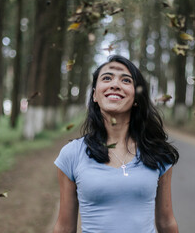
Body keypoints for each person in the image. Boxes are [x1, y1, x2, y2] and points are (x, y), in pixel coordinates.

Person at [53, 55, 179, 233]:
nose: (114, 84)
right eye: (107, 78)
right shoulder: (72, 154)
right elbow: (64, 227)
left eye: (126, 80)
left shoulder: (157, 152)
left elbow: (166, 223)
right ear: (95, 94)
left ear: (136, 97)